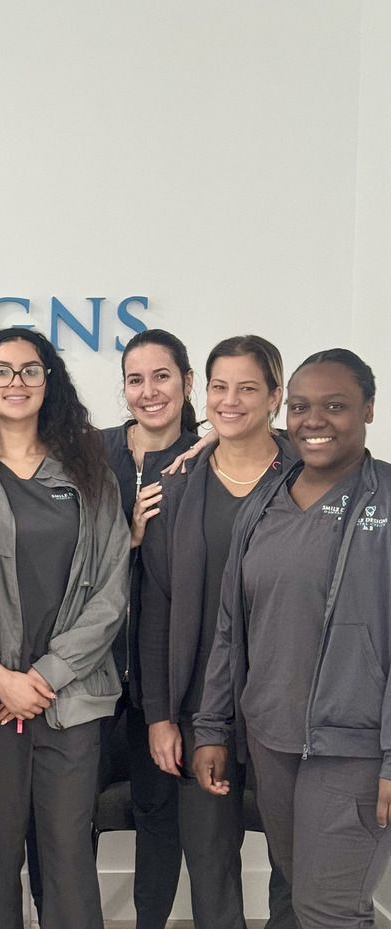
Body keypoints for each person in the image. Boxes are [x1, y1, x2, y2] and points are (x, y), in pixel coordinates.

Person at [194, 349, 391, 929]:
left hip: (352, 747)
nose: (314, 420)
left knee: (328, 909)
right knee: (296, 892)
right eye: (302, 407)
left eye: (335, 406)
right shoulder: (266, 500)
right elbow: (233, 624)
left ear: (369, 411)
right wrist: (213, 726)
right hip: (272, 740)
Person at [0, 327, 129, 929]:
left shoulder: (90, 472)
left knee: (68, 856)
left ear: (50, 382)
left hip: (70, 698)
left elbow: (111, 589)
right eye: (1, 371)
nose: (16, 383)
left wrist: (43, 677)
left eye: (30, 370)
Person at [141, 335, 295, 928]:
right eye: (219, 387)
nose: (230, 401)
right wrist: (160, 716)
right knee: (208, 863)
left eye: (248, 388)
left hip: (287, 702)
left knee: (294, 861)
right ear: (202, 393)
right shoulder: (175, 487)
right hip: (198, 706)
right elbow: (154, 608)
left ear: (276, 397)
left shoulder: (306, 483)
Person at [98, 329, 199, 929]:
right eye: (135, 379)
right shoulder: (93, 451)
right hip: (92, 668)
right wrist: (127, 538)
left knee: (157, 811)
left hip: (163, 678)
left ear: (187, 383)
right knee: (68, 812)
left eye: (162, 376)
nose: (148, 391)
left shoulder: (208, 456)